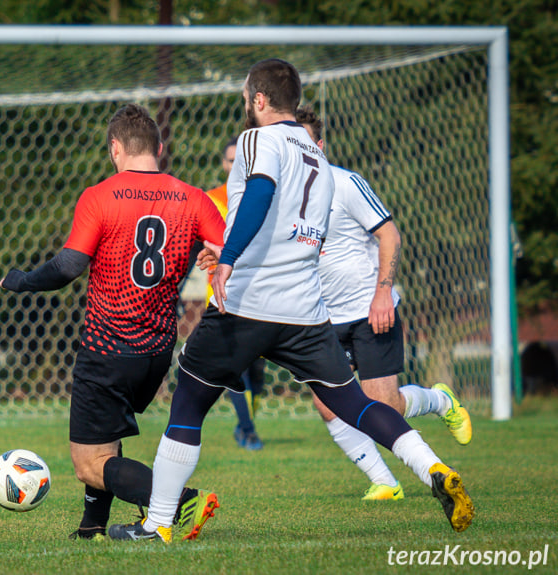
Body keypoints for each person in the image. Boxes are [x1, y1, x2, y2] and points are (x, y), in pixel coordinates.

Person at [107, 59, 474, 543]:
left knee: (190, 401)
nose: (244, 104)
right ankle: (433, 470)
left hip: (249, 303)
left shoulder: (257, 140)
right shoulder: (319, 157)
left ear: (259, 100)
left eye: (245, 97)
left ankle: (157, 525)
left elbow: (260, 193)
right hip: (305, 309)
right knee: (353, 403)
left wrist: (231, 256)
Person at [0, 103, 225, 541]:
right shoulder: (193, 197)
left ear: (115, 148)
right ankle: (92, 527)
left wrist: (22, 281)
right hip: (158, 351)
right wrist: (214, 254)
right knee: (104, 443)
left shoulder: (100, 195)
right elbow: (234, 248)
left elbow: (68, 267)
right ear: (159, 148)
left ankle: (184, 502)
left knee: (89, 463)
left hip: (106, 347)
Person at [295, 106, 473, 501]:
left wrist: (382, 293)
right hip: (323, 318)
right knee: (328, 405)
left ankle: (440, 399)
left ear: (320, 147)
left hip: (369, 311)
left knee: (383, 406)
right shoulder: (284, 196)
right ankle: (386, 483)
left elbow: (389, 235)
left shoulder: (345, 184)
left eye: (306, 143)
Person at [207, 136, 266, 451]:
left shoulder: (261, 196)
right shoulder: (211, 200)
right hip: (223, 299)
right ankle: (248, 429)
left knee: (257, 373)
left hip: (260, 298)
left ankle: (247, 424)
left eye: (237, 160)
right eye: (228, 160)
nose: (233, 166)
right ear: (223, 164)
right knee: (235, 369)